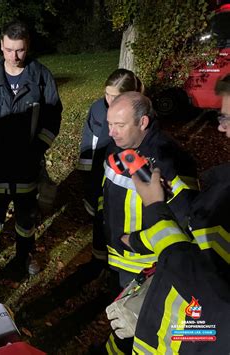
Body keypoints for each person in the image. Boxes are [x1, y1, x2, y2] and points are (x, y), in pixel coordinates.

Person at [117, 74, 230, 354]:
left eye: (227, 118)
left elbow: (217, 320)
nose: (222, 129)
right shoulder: (223, 188)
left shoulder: (171, 158)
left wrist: (156, 210)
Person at [95, 92, 199, 353]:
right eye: (109, 124)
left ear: (142, 122)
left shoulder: (170, 160)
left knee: (137, 325)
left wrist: (138, 243)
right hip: (118, 258)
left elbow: (187, 223)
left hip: (146, 266)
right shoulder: (117, 147)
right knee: (119, 321)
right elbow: (106, 194)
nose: (112, 132)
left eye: (119, 125)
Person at [0, 20, 62, 275]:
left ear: (28, 46)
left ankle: (24, 254)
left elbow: (53, 116)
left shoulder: (41, 77)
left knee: (26, 215)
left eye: (20, 50)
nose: (14, 56)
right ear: (1, 45)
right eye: (9, 49)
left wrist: (38, 149)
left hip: (27, 162)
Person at [77, 69, 144, 267]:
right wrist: (86, 174)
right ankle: (98, 261)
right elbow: (88, 141)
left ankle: (115, 268)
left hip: (122, 181)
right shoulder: (98, 108)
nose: (109, 100)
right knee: (99, 220)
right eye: (107, 94)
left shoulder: (140, 113)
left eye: (116, 96)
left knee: (118, 223)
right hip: (99, 175)